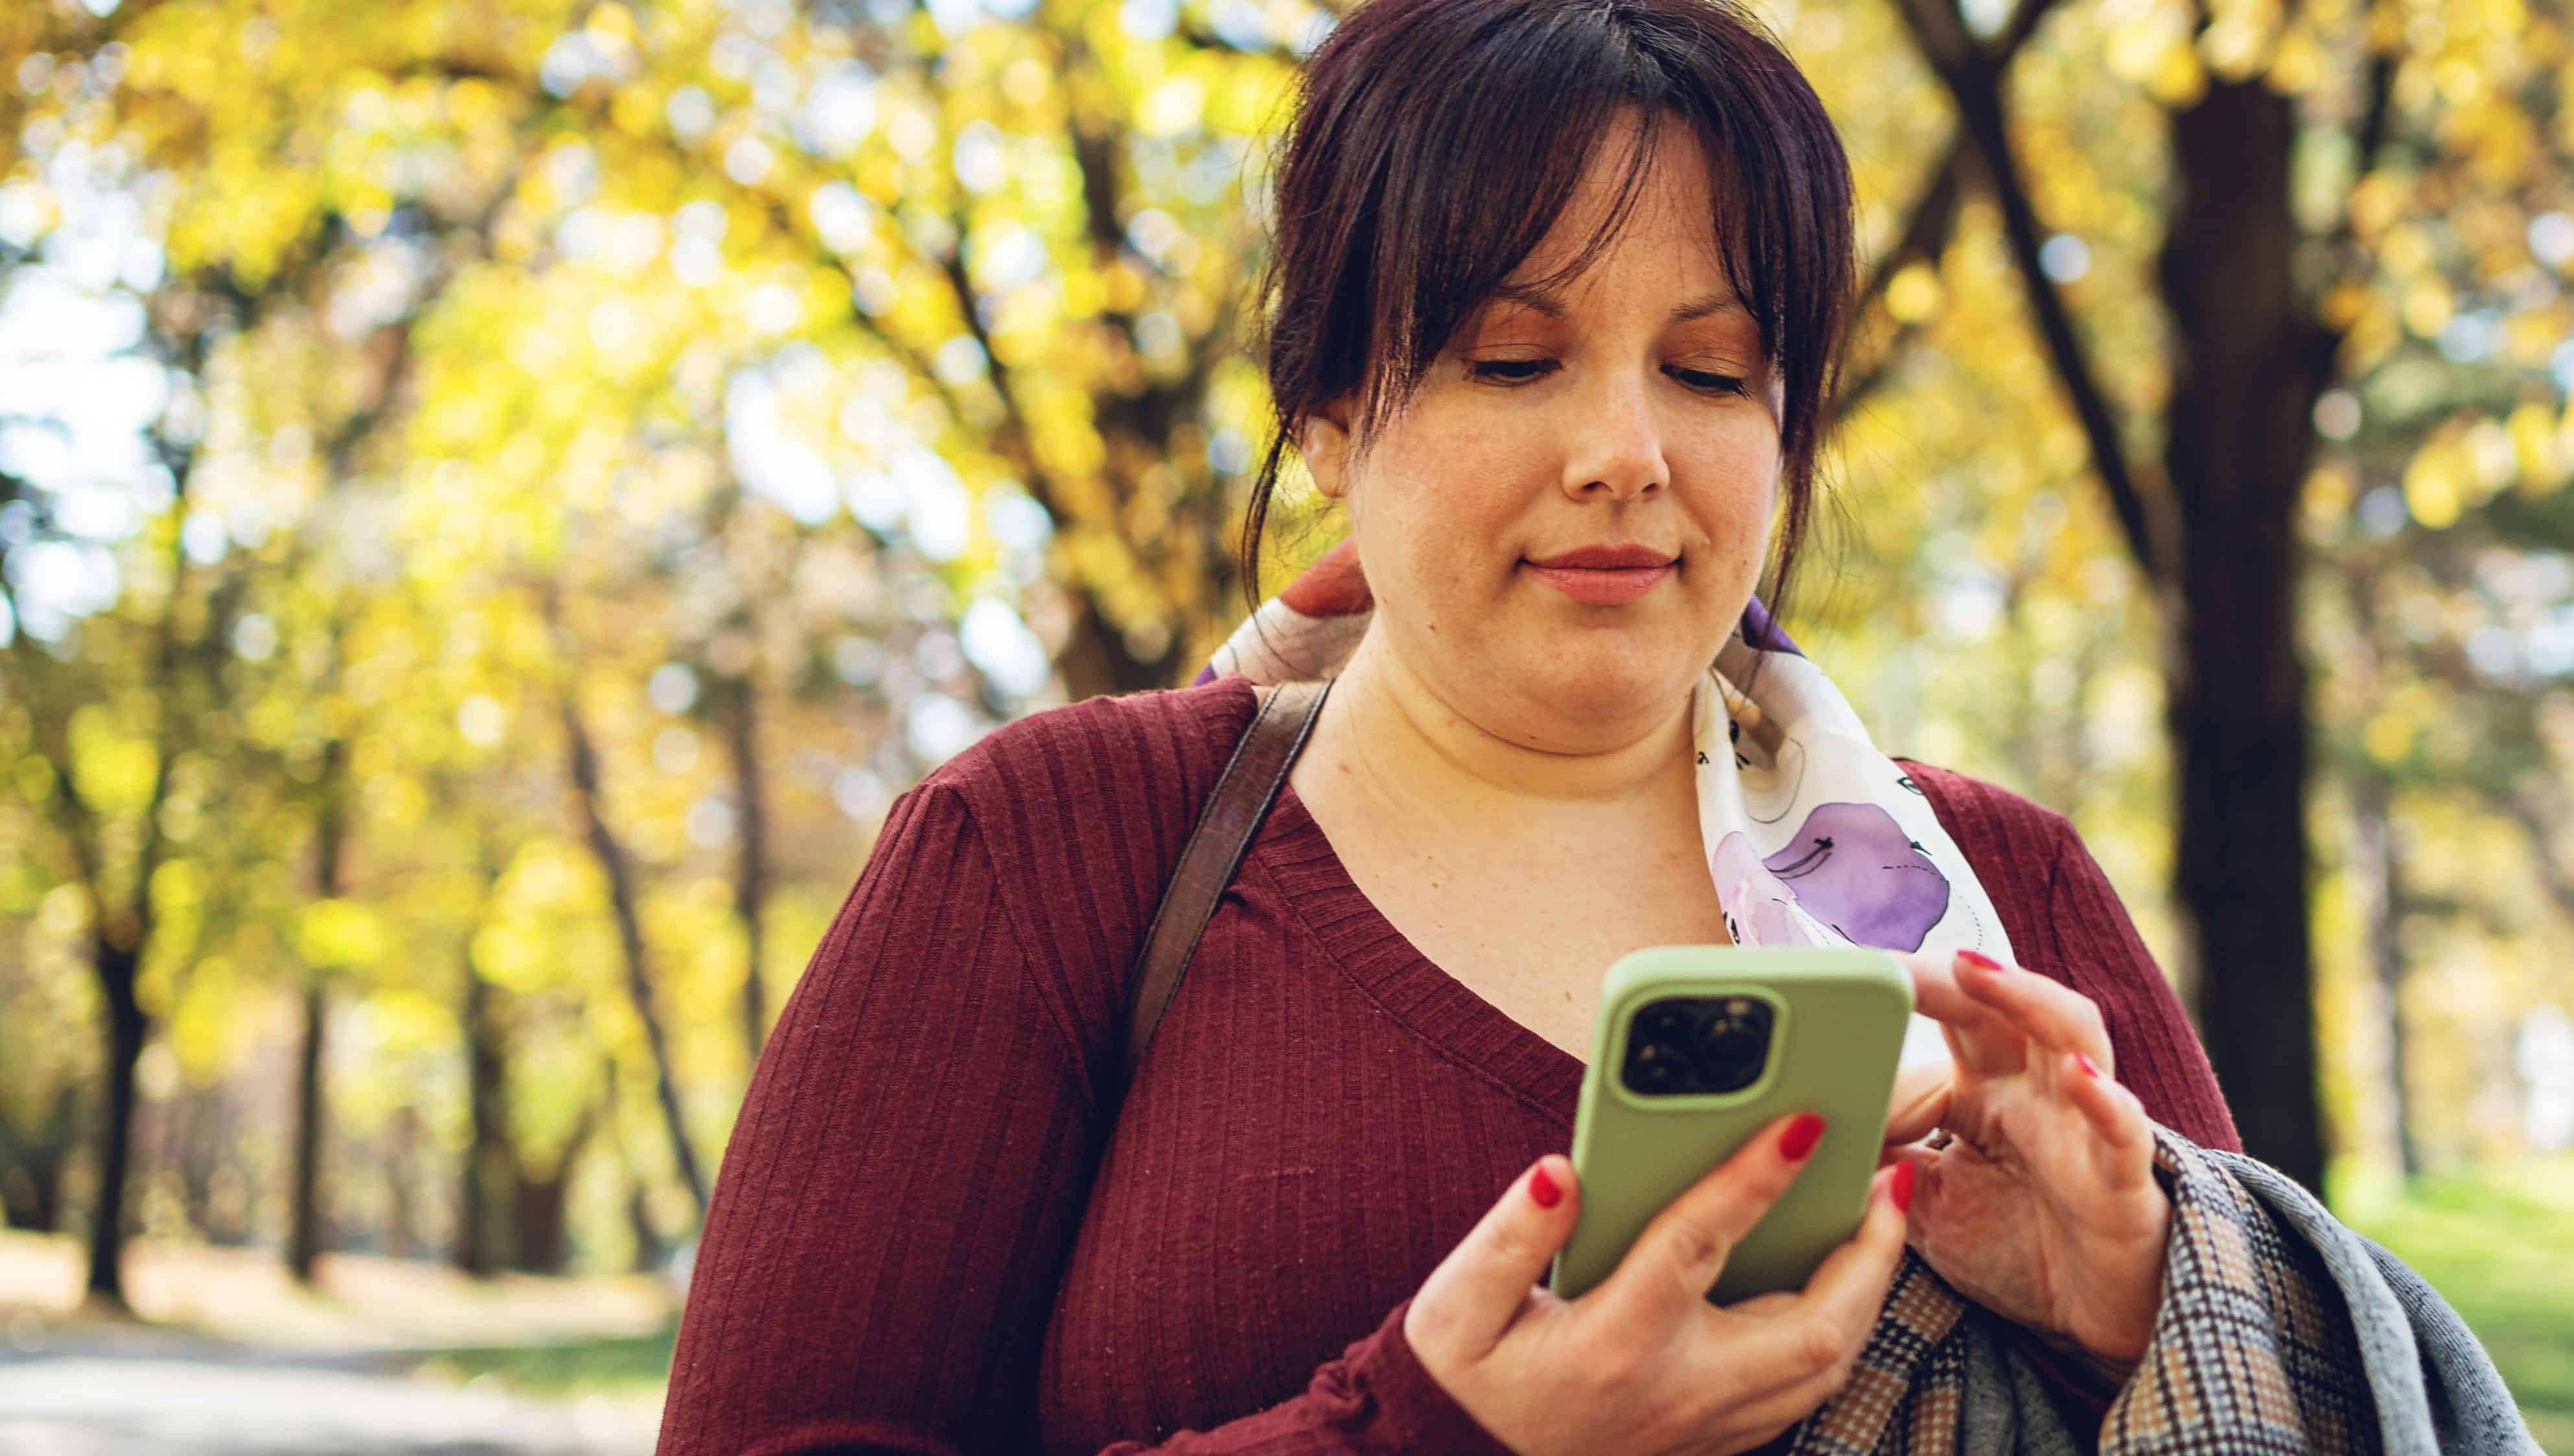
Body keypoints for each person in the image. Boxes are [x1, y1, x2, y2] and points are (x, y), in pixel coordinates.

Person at [661, 1, 2298, 1452]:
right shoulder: (1055, 854)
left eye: (1715, 373)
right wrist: (1432, 1432)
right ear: (1325, 414)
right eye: (1513, 357)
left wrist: (2133, 1318)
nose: (1624, 449)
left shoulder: (2005, 912)